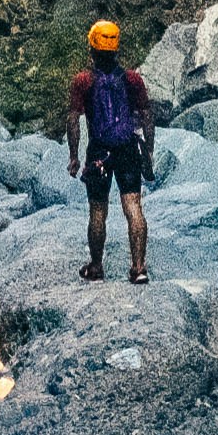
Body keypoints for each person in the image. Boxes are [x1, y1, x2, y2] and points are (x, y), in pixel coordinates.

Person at [65, 20, 153, 285]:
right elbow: (146, 116)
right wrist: (149, 150)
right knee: (133, 207)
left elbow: (73, 120)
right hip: (128, 149)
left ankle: (96, 266)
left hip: (99, 152)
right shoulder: (132, 79)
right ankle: (138, 269)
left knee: (98, 211)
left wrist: (74, 156)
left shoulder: (83, 81)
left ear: (91, 47)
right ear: (116, 49)